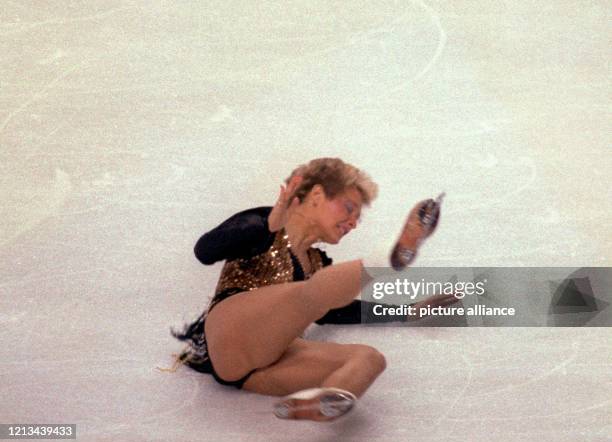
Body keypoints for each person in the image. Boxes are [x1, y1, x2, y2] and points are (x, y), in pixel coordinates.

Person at [163, 157, 458, 421]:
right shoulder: (265, 227)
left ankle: (326, 401)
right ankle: (384, 260)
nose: (353, 223)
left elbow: (336, 309)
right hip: (230, 333)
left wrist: (406, 312)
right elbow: (204, 251)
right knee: (310, 293)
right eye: (349, 207)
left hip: (259, 369)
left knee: (369, 358)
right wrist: (268, 223)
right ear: (316, 195)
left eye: (357, 217)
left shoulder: (317, 263)